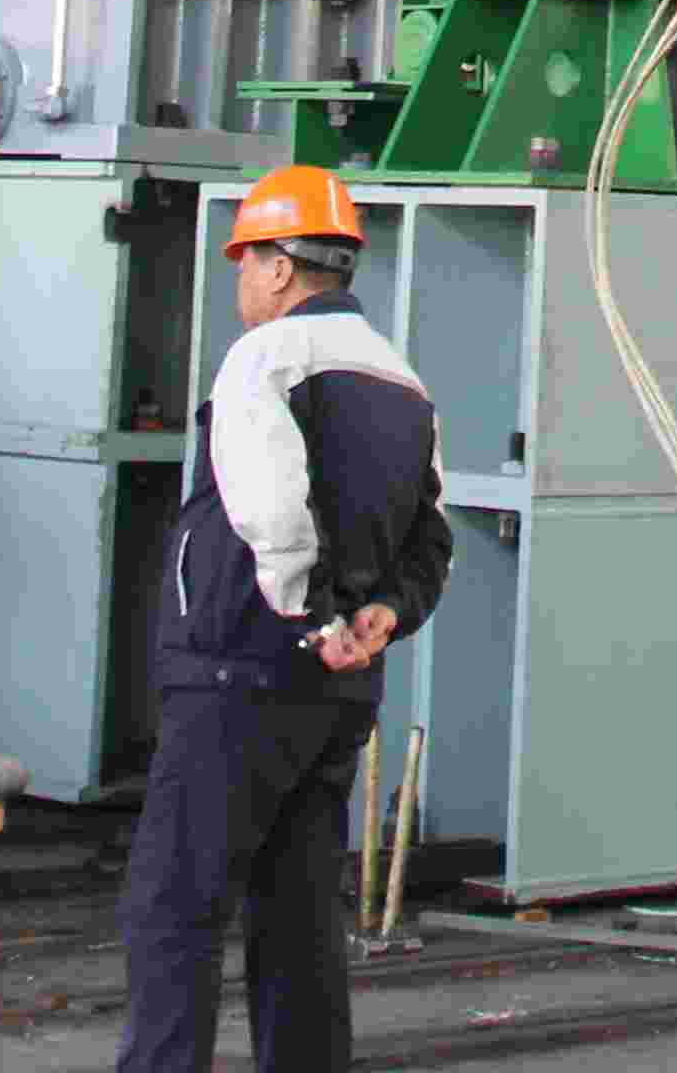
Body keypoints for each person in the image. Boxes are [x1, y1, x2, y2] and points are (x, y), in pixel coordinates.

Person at [119, 162, 453, 1073]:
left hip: (241, 667)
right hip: (338, 691)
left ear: (277, 265)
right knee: (299, 912)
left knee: (174, 904)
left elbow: (270, 508)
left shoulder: (263, 358)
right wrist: (382, 616)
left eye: (244, 260)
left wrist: (315, 612)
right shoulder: (402, 379)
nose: (240, 279)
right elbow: (432, 536)